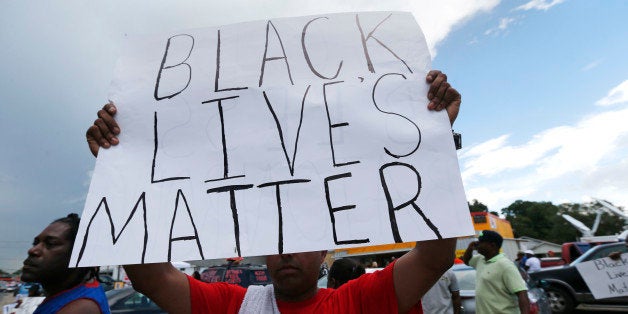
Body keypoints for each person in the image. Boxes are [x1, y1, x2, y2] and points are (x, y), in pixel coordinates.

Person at [86, 70, 461, 313]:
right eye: (277, 237)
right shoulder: (234, 305)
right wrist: (122, 170)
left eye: (300, 237)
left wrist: (432, 140)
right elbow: (151, 278)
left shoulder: (357, 301)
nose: (285, 250)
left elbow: (434, 257)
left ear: (325, 249)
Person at [21, 214, 110, 314]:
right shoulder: (69, 294)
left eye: (50, 243)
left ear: (79, 255)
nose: (32, 250)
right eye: (35, 243)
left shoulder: (82, 308)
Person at [462, 230, 530, 314]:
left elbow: (522, 293)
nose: (477, 244)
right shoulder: (480, 259)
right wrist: (470, 248)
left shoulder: (505, 265)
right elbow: (466, 261)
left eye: (481, 242)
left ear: (492, 245)